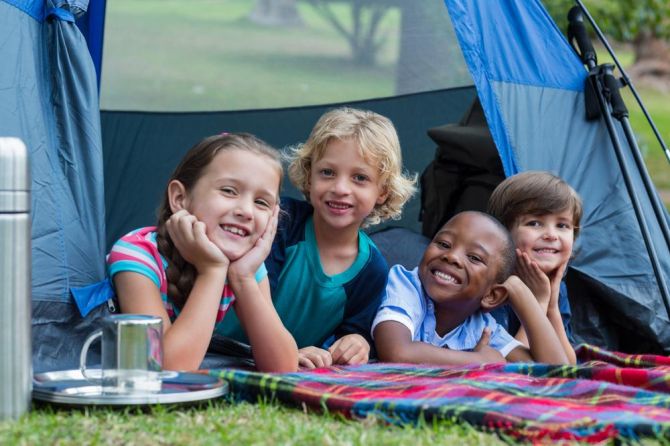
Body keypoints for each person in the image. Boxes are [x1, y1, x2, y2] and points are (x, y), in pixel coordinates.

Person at [219, 107, 417, 368]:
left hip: (282, 360)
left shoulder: (371, 270)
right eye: (328, 172)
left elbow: (347, 336)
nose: (340, 188)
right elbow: (253, 302)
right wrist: (288, 353)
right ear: (309, 175)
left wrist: (357, 342)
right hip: (218, 348)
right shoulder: (279, 222)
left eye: (360, 178)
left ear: (382, 191)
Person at [106, 133, 298, 372]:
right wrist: (213, 271)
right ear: (180, 198)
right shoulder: (137, 254)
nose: (246, 211)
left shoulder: (246, 266)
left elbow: (283, 367)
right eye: (229, 191)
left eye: (261, 202)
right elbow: (165, 368)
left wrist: (243, 278)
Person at [372, 211, 569, 365]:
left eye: (474, 257)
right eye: (443, 243)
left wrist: (523, 294)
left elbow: (555, 369)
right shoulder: (406, 285)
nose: (452, 256)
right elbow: (397, 351)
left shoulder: (481, 327)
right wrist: (478, 361)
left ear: (492, 295)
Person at [487, 171, 582, 364]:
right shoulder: (493, 285)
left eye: (562, 226)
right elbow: (513, 363)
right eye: (535, 223)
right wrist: (538, 303)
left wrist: (552, 306)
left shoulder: (554, 283)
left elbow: (567, 365)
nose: (551, 235)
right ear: (502, 232)